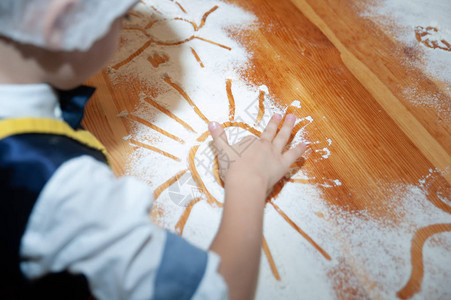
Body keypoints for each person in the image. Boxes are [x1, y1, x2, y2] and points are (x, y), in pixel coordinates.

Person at [0, 0, 307, 299]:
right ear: (65, 23)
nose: (122, 35)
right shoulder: (58, 186)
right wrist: (248, 181)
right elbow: (222, 292)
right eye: (124, 18)